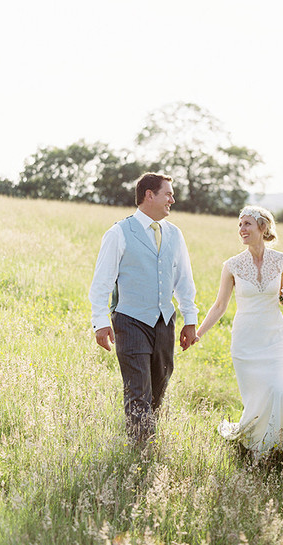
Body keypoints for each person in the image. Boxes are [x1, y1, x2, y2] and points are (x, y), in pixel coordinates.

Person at [89, 172, 198, 444]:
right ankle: (141, 450)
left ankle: (147, 438)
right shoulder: (119, 233)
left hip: (165, 322)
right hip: (130, 320)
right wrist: (100, 321)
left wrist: (190, 319)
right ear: (149, 195)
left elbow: (184, 279)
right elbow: (102, 281)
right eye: (168, 194)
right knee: (137, 390)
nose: (172, 200)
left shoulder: (175, 234)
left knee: (158, 388)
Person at [196, 205, 283, 460]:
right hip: (246, 340)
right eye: (240, 225)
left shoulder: (282, 261)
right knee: (257, 397)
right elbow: (220, 305)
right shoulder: (232, 265)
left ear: (262, 227)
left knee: (278, 390)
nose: (242, 229)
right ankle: (258, 447)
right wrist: (198, 333)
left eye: (247, 224)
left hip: (275, 337)